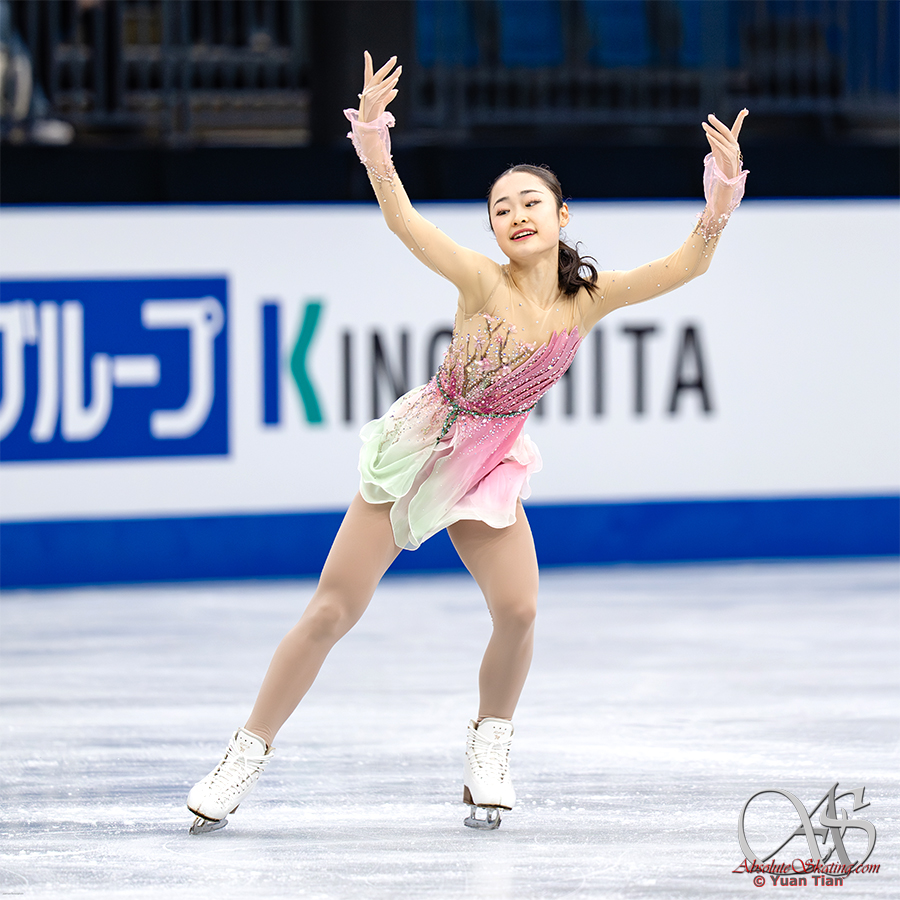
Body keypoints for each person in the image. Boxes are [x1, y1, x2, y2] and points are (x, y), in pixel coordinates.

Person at [186, 53, 748, 833]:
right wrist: (375, 140)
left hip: (489, 466)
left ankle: (489, 748)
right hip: (422, 451)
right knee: (332, 610)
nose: (516, 215)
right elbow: (405, 223)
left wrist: (721, 195)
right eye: (500, 208)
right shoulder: (483, 282)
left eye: (531, 202)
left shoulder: (588, 300)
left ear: (562, 216)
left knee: (518, 609)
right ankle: (243, 755)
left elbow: (685, 265)